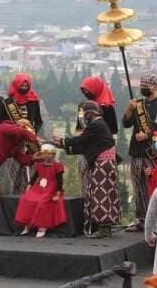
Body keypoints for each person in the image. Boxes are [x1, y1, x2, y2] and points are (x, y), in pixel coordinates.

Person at [53, 100, 120, 238]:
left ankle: (103, 227)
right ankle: (104, 226)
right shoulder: (99, 125)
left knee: (100, 194)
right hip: (104, 163)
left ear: (90, 113)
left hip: (101, 164)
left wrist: (63, 141)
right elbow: (86, 145)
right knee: (104, 192)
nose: (83, 118)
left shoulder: (96, 125)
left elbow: (82, 140)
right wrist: (64, 145)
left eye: (84, 114)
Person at [122, 74, 157, 232]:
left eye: (147, 85)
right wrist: (128, 110)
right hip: (137, 153)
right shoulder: (137, 105)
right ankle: (140, 219)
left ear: (155, 86)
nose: (143, 88)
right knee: (137, 187)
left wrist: (148, 134)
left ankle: (154, 220)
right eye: (142, 84)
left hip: (153, 153)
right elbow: (126, 123)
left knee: (152, 187)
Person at [14, 144, 66, 238]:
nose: (46, 156)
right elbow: (34, 178)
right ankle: (28, 224)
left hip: (51, 188)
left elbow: (59, 182)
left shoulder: (58, 166)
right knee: (25, 199)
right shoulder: (39, 165)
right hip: (39, 188)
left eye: (49, 154)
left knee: (43, 202)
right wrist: (28, 189)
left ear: (53, 154)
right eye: (44, 153)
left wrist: (57, 194)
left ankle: (42, 226)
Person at [3, 73, 43, 194]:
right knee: (14, 175)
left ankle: (27, 197)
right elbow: (3, 123)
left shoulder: (34, 100)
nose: (24, 86)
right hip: (13, 144)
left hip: (29, 143)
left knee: (29, 175)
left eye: (27, 84)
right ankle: (15, 199)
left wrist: (33, 132)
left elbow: (39, 121)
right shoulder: (8, 103)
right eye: (22, 84)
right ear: (16, 84)